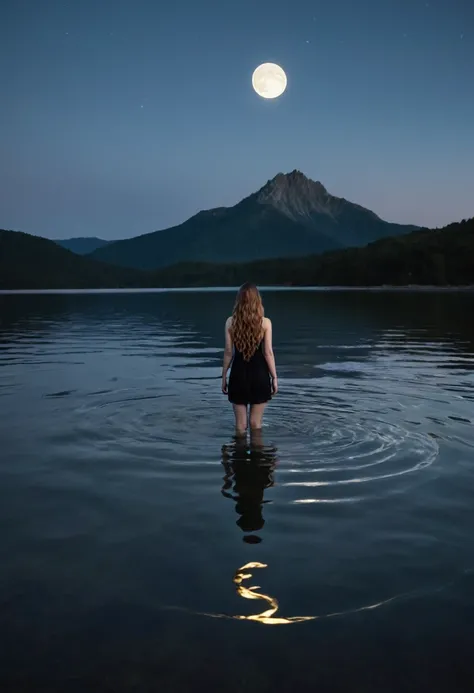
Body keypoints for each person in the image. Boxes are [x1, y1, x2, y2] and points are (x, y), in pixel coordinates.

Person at [221, 283, 278, 433]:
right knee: (255, 423)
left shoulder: (230, 322)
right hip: (260, 376)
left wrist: (223, 377)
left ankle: (238, 455)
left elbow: (228, 352)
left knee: (240, 425)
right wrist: (274, 377)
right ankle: (259, 455)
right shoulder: (265, 323)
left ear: (239, 300)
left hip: (238, 375)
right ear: (257, 300)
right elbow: (268, 353)